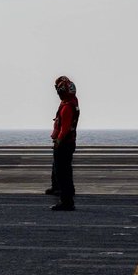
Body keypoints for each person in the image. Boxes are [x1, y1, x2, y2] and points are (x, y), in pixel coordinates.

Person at [49, 76, 79, 211]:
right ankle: (68, 195)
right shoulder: (72, 101)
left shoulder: (67, 106)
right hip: (69, 142)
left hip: (64, 143)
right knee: (65, 170)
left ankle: (66, 201)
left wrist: (58, 141)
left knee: (62, 172)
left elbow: (65, 128)